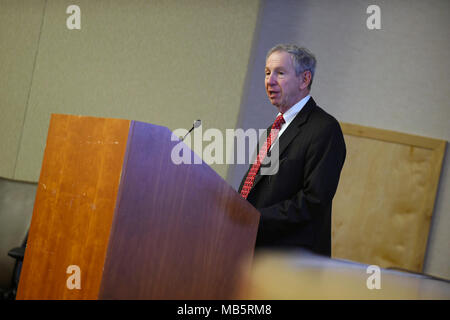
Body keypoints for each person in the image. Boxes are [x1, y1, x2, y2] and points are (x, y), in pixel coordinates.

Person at [238, 44, 346, 257]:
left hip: (291, 261)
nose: (269, 81)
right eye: (267, 72)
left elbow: (313, 201)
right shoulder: (274, 128)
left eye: (280, 73)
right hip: (253, 249)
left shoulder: (324, 129)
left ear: (304, 80)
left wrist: (254, 218)